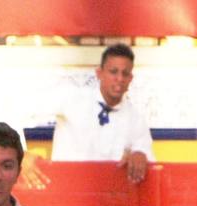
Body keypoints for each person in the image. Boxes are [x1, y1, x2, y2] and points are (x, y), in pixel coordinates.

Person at [18, 43, 154, 187]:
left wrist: (140, 156)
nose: (119, 78)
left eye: (125, 73)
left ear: (130, 78)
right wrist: (20, 154)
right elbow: (17, 108)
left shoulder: (136, 120)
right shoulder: (71, 98)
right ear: (99, 73)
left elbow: (148, 160)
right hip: (66, 193)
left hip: (108, 198)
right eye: (113, 72)